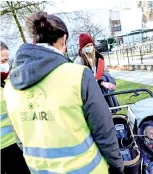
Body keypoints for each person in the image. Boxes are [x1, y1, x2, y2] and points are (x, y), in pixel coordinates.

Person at [3, 12, 124, 174]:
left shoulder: (10, 86)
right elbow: (104, 131)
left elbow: (20, 140)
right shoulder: (78, 75)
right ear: (64, 40)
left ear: (34, 40)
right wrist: (117, 165)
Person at [0, 42, 30, 174]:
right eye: (3, 61)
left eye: (7, 60)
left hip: (17, 144)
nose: (6, 64)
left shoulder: (8, 83)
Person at [75, 33, 120, 113]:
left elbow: (104, 71)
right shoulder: (79, 61)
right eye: (87, 46)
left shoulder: (99, 57)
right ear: (82, 47)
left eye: (91, 45)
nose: (90, 47)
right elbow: (83, 80)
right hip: (90, 95)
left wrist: (106, 81)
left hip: (103, 92)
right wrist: (101, 82)